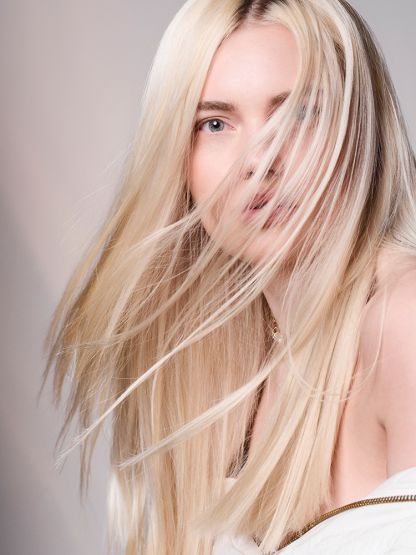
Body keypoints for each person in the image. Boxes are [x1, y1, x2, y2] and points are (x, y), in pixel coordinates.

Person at [40, 0, 416, 553]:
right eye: (214, 124)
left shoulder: (403, 319)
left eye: (300, 113)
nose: (259, 162)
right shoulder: (227, 370)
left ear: (362, 129)